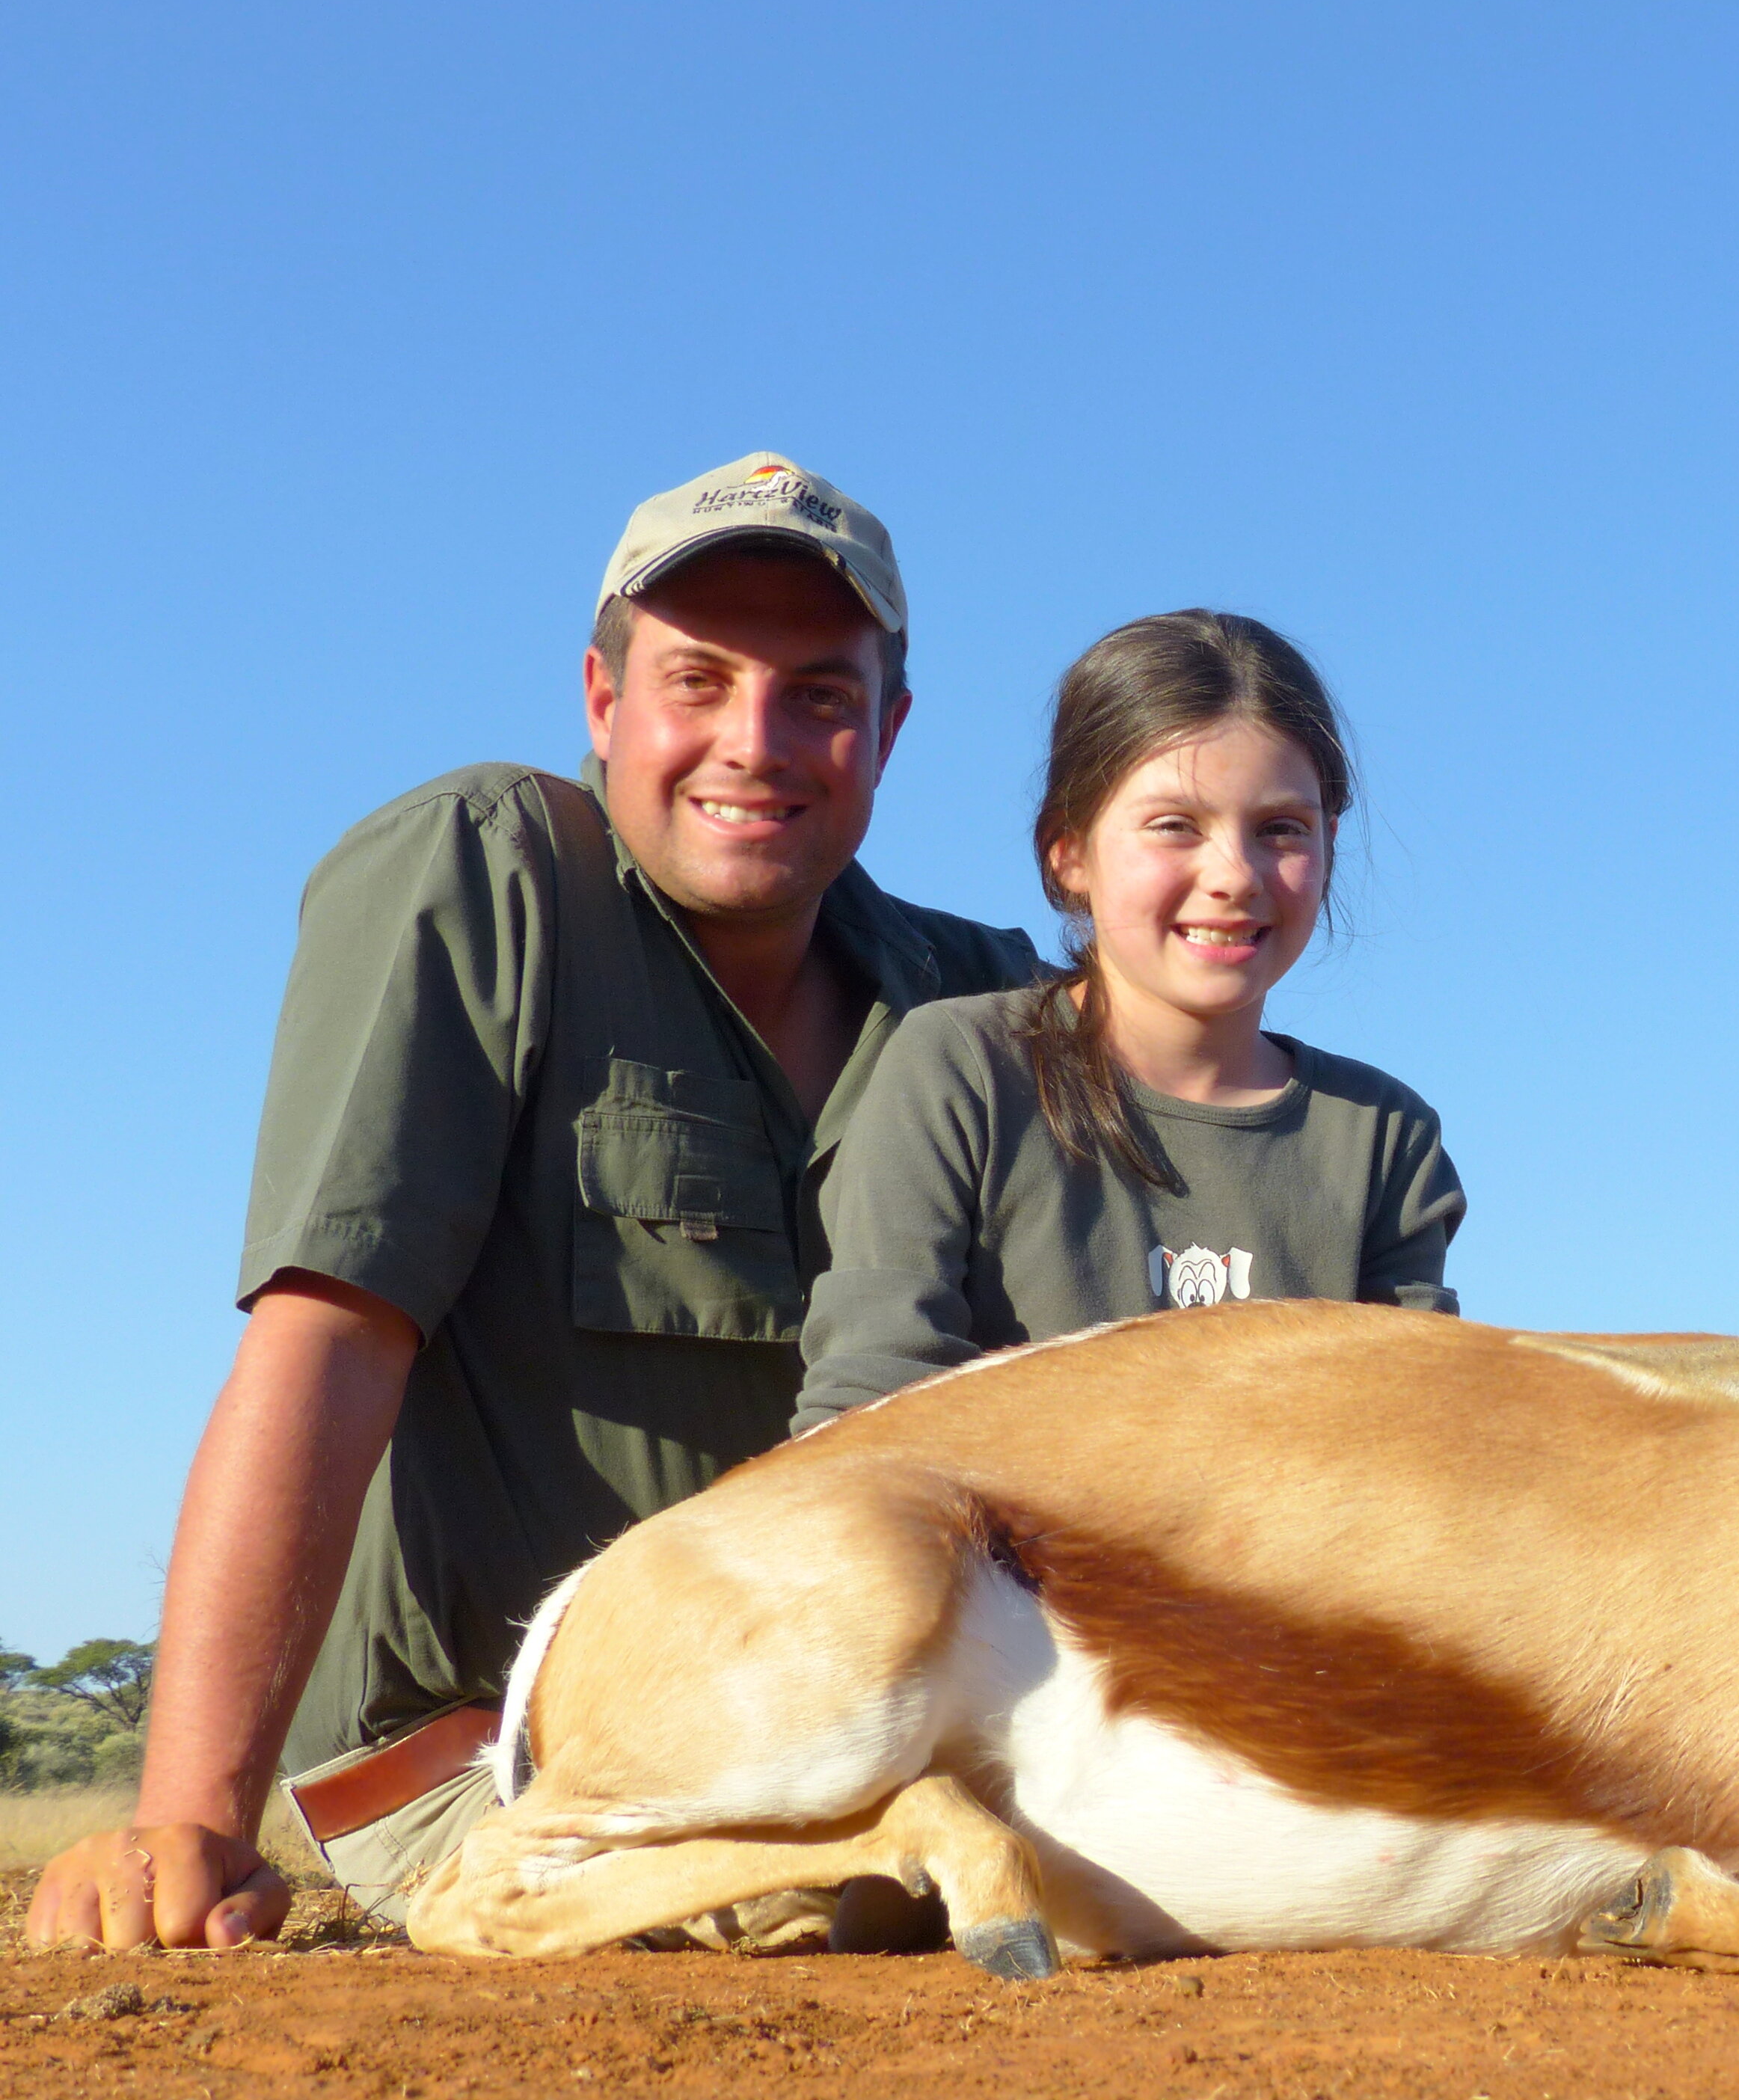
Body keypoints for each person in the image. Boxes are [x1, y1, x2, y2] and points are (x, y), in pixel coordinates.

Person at [25, 454, 1038, 1951]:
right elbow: (330, 1337)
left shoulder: (979, 996)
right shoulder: (484, 873)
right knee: (843, 1919)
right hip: (514, 1764)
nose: (753, 742)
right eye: (697, 680)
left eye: (819, 694)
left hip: (855, 1739)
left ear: (888, 730)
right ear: (601, 699)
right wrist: (186, 1827)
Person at [789, 610, 1462, 1437]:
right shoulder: (956, 1070)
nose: (1233, 876)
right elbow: (867, 1416)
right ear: (1068, 852)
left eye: (1280, 829)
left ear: (1327, 846)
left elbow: (1417, 1446)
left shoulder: (1383, 1138)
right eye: (1175, 825)